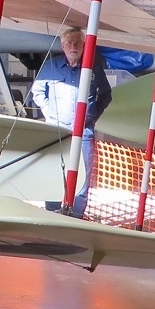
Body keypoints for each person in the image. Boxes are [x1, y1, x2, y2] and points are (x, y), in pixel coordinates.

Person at [29, 25, 111, 218]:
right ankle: (52, 214)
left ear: (83, 45)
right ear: (62, 46)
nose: (73, 46)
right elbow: (37, 92)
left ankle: (76, 217)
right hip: (57, 131)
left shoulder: (92, 68)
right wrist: (50, 113)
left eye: (77, 43)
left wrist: (92, 116)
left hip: (84, 133)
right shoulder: (51, 67)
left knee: (84, 177)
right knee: (54, 172)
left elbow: (106, 95)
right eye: (69, 43)